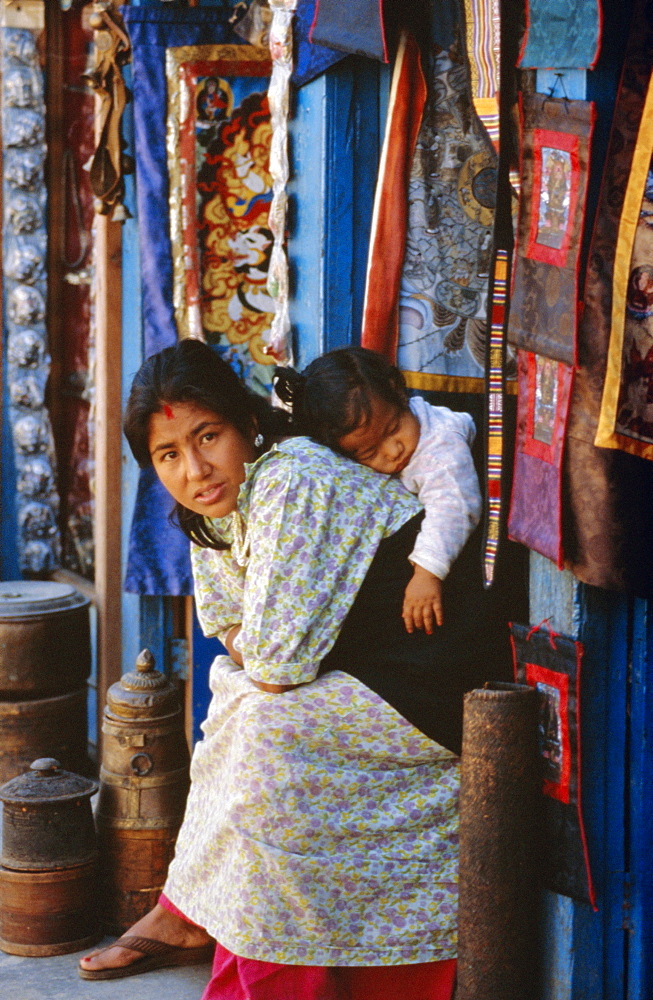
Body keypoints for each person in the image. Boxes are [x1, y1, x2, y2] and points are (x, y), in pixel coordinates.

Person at [79, 338, 477, 1000]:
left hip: (430, 673)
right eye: (168, 455)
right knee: (236, 715)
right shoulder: (212, 509)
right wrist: (253, 655)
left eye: (208, 436)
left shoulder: (290, 475)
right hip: (362, 669)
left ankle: (265, 963)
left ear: (248, 425)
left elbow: (272, 660)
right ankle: (194, 914)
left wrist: (254, 656)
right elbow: (226, 622)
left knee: (259, 726)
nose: (196, 469)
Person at [273, 347, 481, 635]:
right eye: (371, 452)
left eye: (395, 428)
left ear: (399, 393)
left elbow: (455, 508)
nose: (394, 450)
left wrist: (427, 573)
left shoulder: (440, 448)